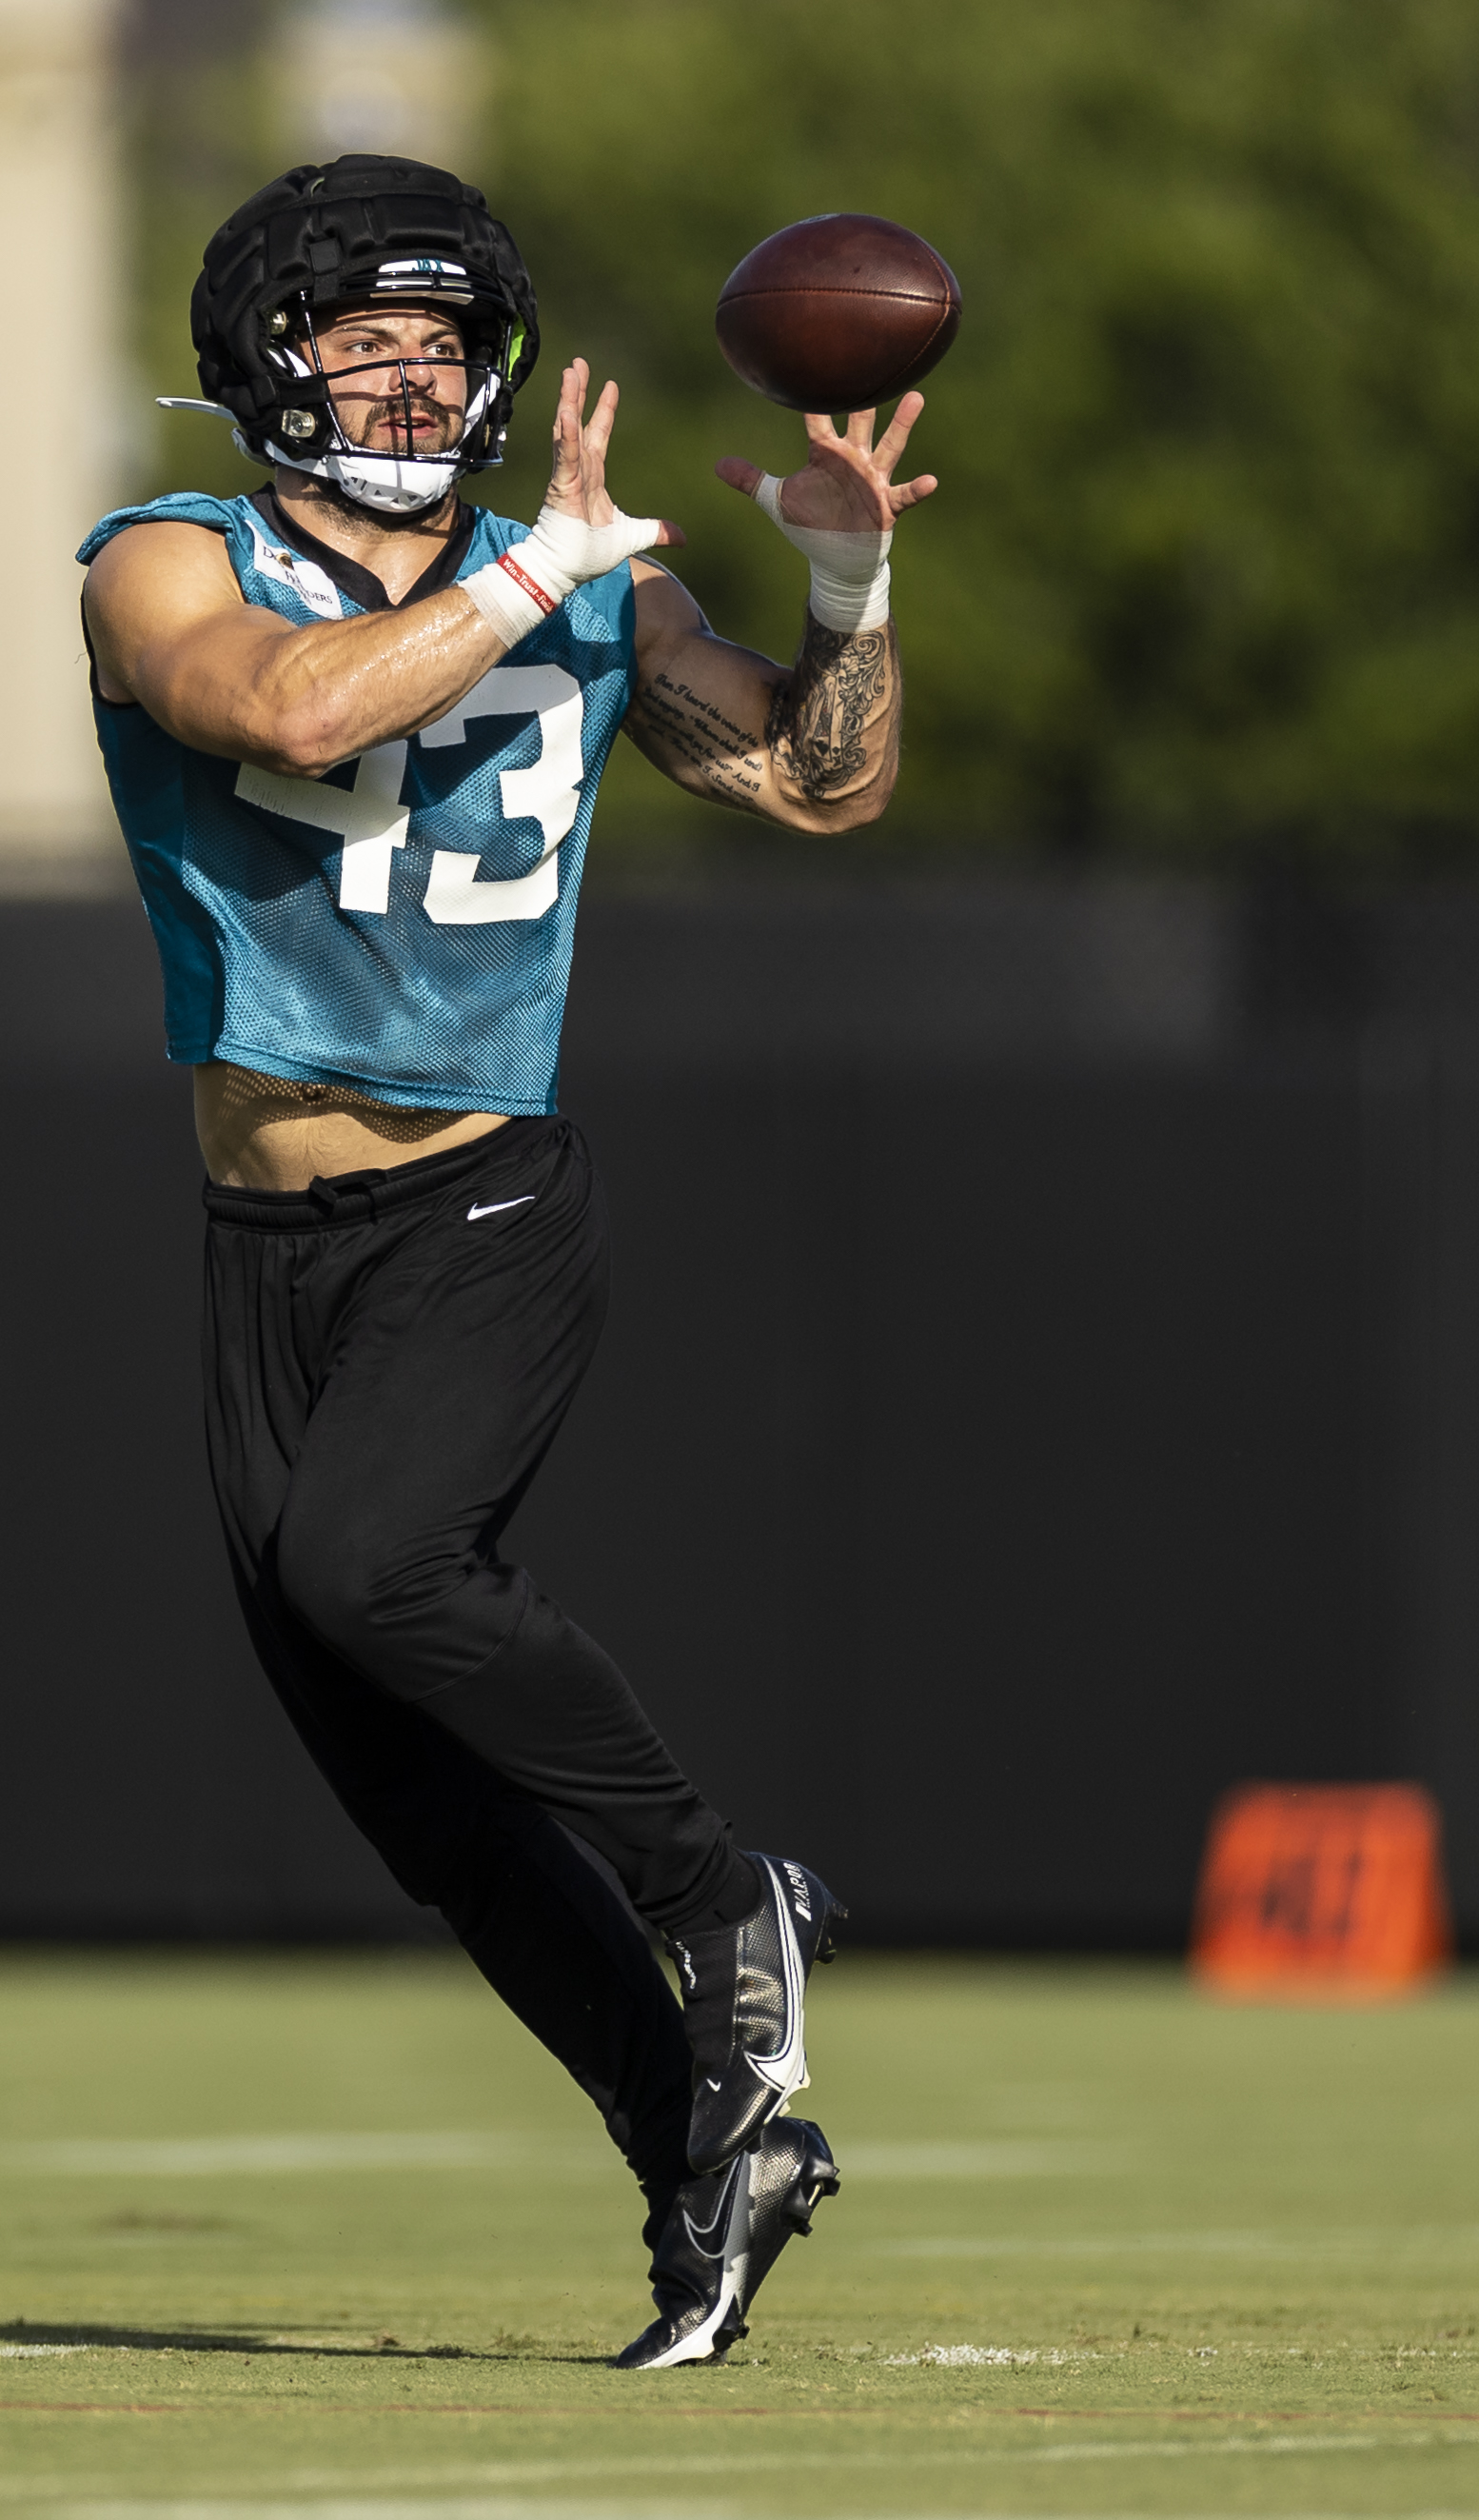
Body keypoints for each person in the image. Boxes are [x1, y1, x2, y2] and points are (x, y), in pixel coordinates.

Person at [77, 155, 938, 2370]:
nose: (408, 375)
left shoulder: (573, 583)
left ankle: (718, 1885)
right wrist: (540, 566)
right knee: (425, 1811)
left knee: (378, 1564)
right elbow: (281, 708)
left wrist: (842, 597)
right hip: (261, 1242)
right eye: (364, 337)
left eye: (442, 343)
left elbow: (815, 785)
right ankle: (706, 2161)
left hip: (477, 1199)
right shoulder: (168, 552)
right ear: (266, 357)